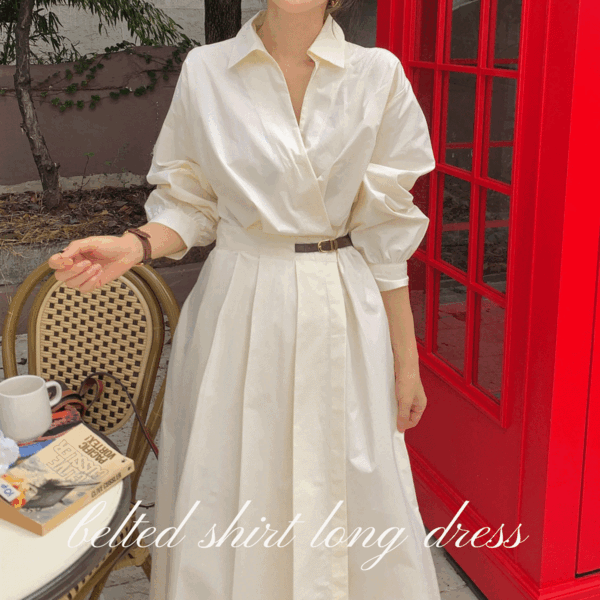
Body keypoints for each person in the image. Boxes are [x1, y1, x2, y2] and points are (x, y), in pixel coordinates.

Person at [48, 0, 440, 598]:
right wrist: (135, 245)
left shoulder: (377, 74)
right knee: (230, 478)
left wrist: (406, 363)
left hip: (340, 306)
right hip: (239, 306)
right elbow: (191, 202)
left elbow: (388, 239)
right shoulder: (208, 70)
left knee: (350, 482)